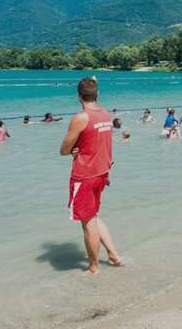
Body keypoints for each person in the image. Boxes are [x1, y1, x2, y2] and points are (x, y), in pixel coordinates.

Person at [59, 77, 121, 274]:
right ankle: (113, 254)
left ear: (78, 95)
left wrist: (74, 150)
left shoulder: (81, 117)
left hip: (85, 176)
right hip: (102, 173)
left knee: (87, 223)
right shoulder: (105, 114)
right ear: (98, 94)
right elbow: (97, 141)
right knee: (93, 216)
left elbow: (64, 149)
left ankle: (94, 267)